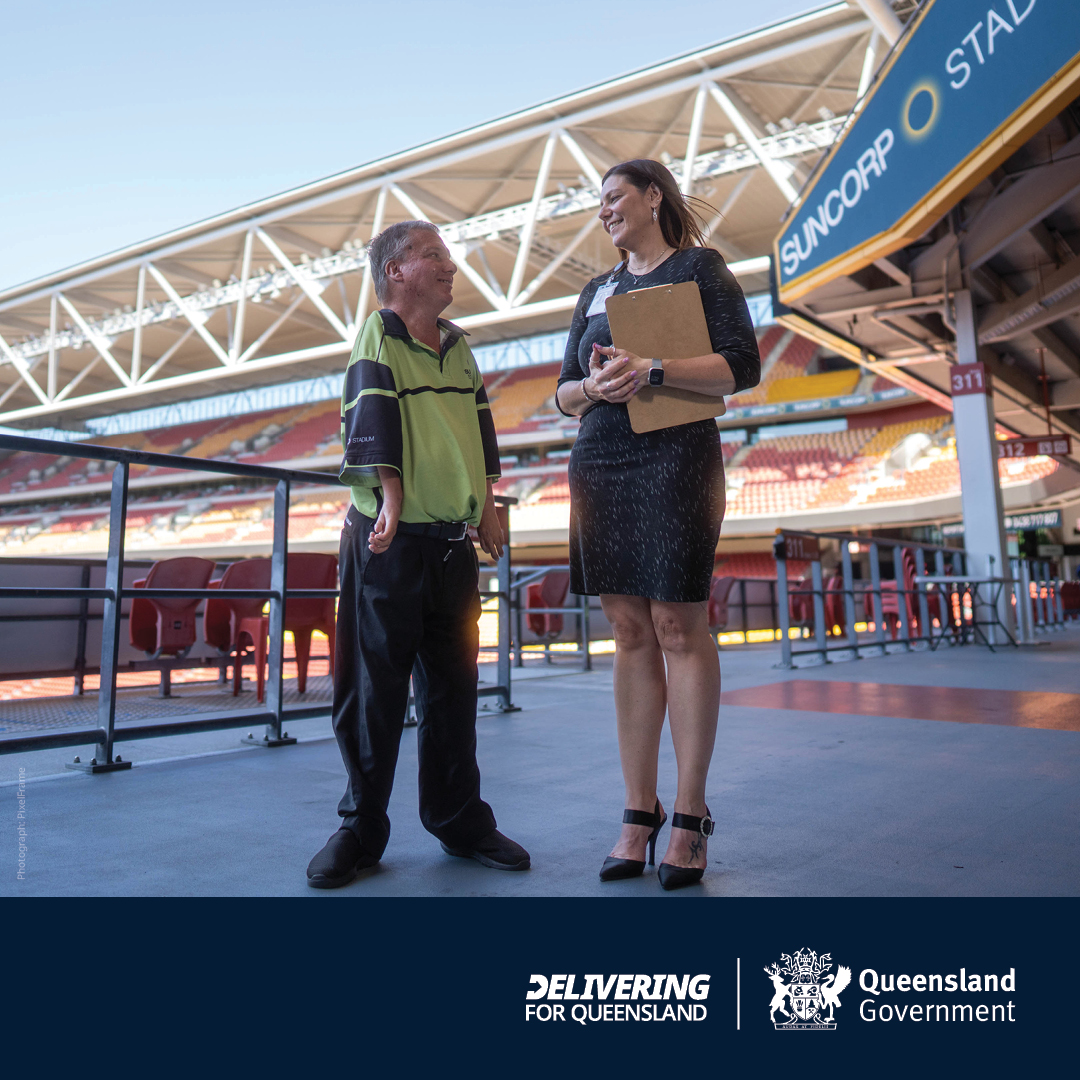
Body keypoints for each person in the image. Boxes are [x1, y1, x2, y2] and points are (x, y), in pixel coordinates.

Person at [555, 159, 760, 890]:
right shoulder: (595, 289)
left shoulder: (701, 268)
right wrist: (593, 384)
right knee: (629, 630)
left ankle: (690, 812)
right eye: (600, 202)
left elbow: (742, 366)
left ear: (652, 197)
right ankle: (637, 811)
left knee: (678, 624)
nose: (604, 210)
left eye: (614, 197)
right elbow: (563, 394)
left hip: (676, 456)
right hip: (601, 459)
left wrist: (654, 370)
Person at [306, 219, 530, 888]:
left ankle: (460, 821)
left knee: (454, 691)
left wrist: (485, 508)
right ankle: (360, 828)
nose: (449, 266)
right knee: (373, 691)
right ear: (396, 271)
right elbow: (372, 411)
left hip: (451, 546)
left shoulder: (459, 348)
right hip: (389, 541)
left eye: (447, 256)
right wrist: (393, 497)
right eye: (433, 255)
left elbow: (480, 430)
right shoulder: (379, 332)